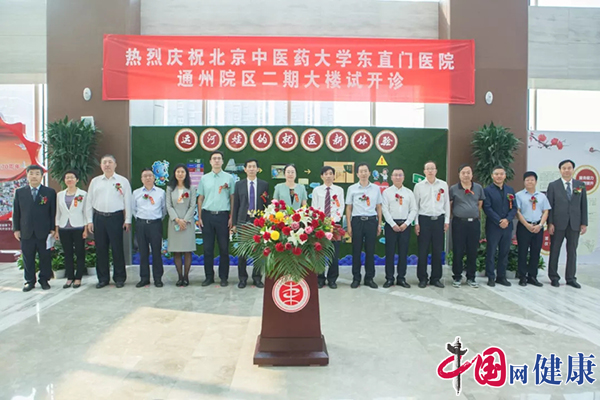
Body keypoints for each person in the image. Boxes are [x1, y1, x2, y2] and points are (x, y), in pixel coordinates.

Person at [86, 155, 132, 289]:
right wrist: (89, 220)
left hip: (116, 217)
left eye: (110, 162)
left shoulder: (122, 181)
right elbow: (89, 202)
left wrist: (128, 219)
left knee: (117, 248)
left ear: (115, 165)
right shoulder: (95, 181)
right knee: (101, 249)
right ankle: (103, 278)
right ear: (101, 165)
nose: (107, 165)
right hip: (99, 217)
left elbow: (128, 201)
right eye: (104, 162)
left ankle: (119, 278)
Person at [13, 165, 57, 292]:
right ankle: (29, 281)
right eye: (31, 173)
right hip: (26, 230)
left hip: (44, 231)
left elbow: (52, 212)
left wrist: (52, 228)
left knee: (45, 256)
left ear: (42, 176)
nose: (34, 176)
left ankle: (44, 280)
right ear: (27, 176)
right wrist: (16, 229)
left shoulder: (49, 192)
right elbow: (16, 212)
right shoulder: (20, 192)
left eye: (37, 174)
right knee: (28, 257)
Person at [547, 159, 588, 288]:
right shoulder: (553, 185)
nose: (566, 170)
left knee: (572, 251)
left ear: (573, 169)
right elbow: (550, 206)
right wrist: (550, 223)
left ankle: (570, 278)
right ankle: (554, 277)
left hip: (574, 223)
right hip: (558, 223)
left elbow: (583, 205)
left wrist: (584, 223)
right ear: (560, 170)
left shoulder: (580, 185)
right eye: (564, 168)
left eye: (569, 168)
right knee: (555, 250)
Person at [197, 151, 235, 287]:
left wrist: (231, 217)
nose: (217, 161)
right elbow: (200, 198)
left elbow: (232, 198)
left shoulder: (229, 178)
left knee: (224, 248)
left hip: (223, 216)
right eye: (214, 158)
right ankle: (209, 277)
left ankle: (223, 277)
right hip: (207, 216)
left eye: (219, 158)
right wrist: (200, 217)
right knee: (208, 249)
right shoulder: (204, 178)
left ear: (223, 161)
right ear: (210, 161)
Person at [345, 163, 383, 289]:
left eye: (365, 171)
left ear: (369, 173)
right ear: (357, 174)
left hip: (371, 221)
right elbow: (349, 208)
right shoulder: (352, 189)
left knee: (370, 251)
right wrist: (349, 225)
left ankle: (369, 278)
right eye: (361, 171)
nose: (363, 173)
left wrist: (379, 224)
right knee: (356, 250)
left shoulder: (376, 189)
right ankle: (356, 278)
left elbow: (379, 207)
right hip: (357, 221)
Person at [232, 159, 268, 288]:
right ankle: (242, 278)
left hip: (259, 222)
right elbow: (236, 205)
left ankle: (257, 278)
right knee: (242, 252)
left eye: (254, 167)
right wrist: (234, 224)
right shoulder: (239, 185)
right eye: (249, 167)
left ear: (258, 169)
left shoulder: (264, 185)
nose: (252, 169)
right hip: (244, 221)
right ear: (245, 169)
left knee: (258, 252)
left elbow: (267, 204)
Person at [414, 161, 450, 288]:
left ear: (436, 170)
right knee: (423, 251)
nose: (430, 171)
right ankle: (422, 278)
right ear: (424, 171)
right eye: (427, 169)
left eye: (432, 168)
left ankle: (436, 278)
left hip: (439, 220)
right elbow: (415, 206)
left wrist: (446, 220)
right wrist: (416, 223)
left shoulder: (443, 185)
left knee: (437, 251)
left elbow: (446, 203)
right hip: (424, 220)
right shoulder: (419, 186)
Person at [449, 164, 485, 289]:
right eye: (463, 173)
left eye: (468, 172)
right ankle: (457, 277)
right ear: (459, 175)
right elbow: (450, 204)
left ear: (472, 174)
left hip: (474, 223)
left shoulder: (478, 188)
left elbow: (480, 204)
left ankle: (471, 277)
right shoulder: (453, 189)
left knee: (472, 251)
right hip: (459, 223)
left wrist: (471, 213)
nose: (466, 175)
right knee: (458, 250)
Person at [381, 168, 417, 288]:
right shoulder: (386, 192)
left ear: (403, 177)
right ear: (391, 177)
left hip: (405, 226)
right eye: (395, 175)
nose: (397, 177)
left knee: (403, 253)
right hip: (391, 226)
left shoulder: (409, 193)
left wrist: (407, 223)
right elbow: (384, 210)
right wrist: (393, 224)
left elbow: (414, 209)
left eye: (400, 175)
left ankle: (401, 278)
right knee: (389, 253)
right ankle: (389, 278)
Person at [483, 166, 517, 287]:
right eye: (496, 174)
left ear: (505, 176)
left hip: (507, 226)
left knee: (504, 252)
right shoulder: (487, 190)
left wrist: (507, 220)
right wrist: (499, 221)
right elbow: (487, 208)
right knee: (491, 251)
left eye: (501, 174)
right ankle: (491, 277)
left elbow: (514, 208)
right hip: (493, 226)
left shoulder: (510, 190)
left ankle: (501, 277)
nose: (499, 176)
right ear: (492, 176)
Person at [311, 166, 345, 289]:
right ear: (322, 176)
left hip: (334, 225)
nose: (328, 176)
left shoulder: (339, 190)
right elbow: (314, 208)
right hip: (319, 226)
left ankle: (332, 279)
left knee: (333, 254)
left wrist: (332, 221)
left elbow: (341, 207)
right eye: (326, 174)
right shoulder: (316, 190)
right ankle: (320, 279)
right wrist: (322, 221)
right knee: (319, 253)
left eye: (331, 173)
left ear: (334, 176)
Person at [132, 168, 167, 288]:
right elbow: (133, 209)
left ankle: (158, 278)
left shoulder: (161, 192)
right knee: (143, 252)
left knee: (157, 252)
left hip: (155, 224)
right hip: (141, 224)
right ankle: (144, 278)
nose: (147, 178)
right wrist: (141, 220)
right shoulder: (136, 193)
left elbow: (164, 210)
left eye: (150, 176)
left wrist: (155, 219)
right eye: (145, 176)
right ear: (141, 179)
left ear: (154, 178)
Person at [516, 171, 550, 287]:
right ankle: (522, 277)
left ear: (536, 181)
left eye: (532, 180)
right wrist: (527, 225)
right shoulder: (519, 195)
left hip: (538, 227)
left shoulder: (542, 196)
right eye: (527, 180)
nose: (529, 182)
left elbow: (546, 211)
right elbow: (517, 212)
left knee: (535, 252)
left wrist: (540, 225)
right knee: (522, 252)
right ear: (524, 182)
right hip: (524, 227)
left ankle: (532, 277)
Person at [55, 170, 87, 289]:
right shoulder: (60, 195)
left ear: (77, 180)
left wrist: (85, 229)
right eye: (67, 177)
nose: (69, 180)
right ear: (64, 180)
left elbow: (85, 212)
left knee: (79, 253)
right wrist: (57, 229)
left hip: (78, 227)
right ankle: (69, 277)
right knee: (67, 253)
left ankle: (78, 278)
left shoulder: (83, 194)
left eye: (72, 177)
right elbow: (58, 213)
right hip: (64, 228)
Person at [166, 164, 196, 287]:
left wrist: (185, 220)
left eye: (182, 172)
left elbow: (192, 206)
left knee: (187, 251)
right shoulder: (169, 189)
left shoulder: (191, 188)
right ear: (174, 174)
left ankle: (186, 277)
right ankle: (179, 277)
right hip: (174, 223)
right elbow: (168, 206)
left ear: (186, 174)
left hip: (187, 224)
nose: (180, 174)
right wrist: (177, 219)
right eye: (178, 171)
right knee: (177, 251)